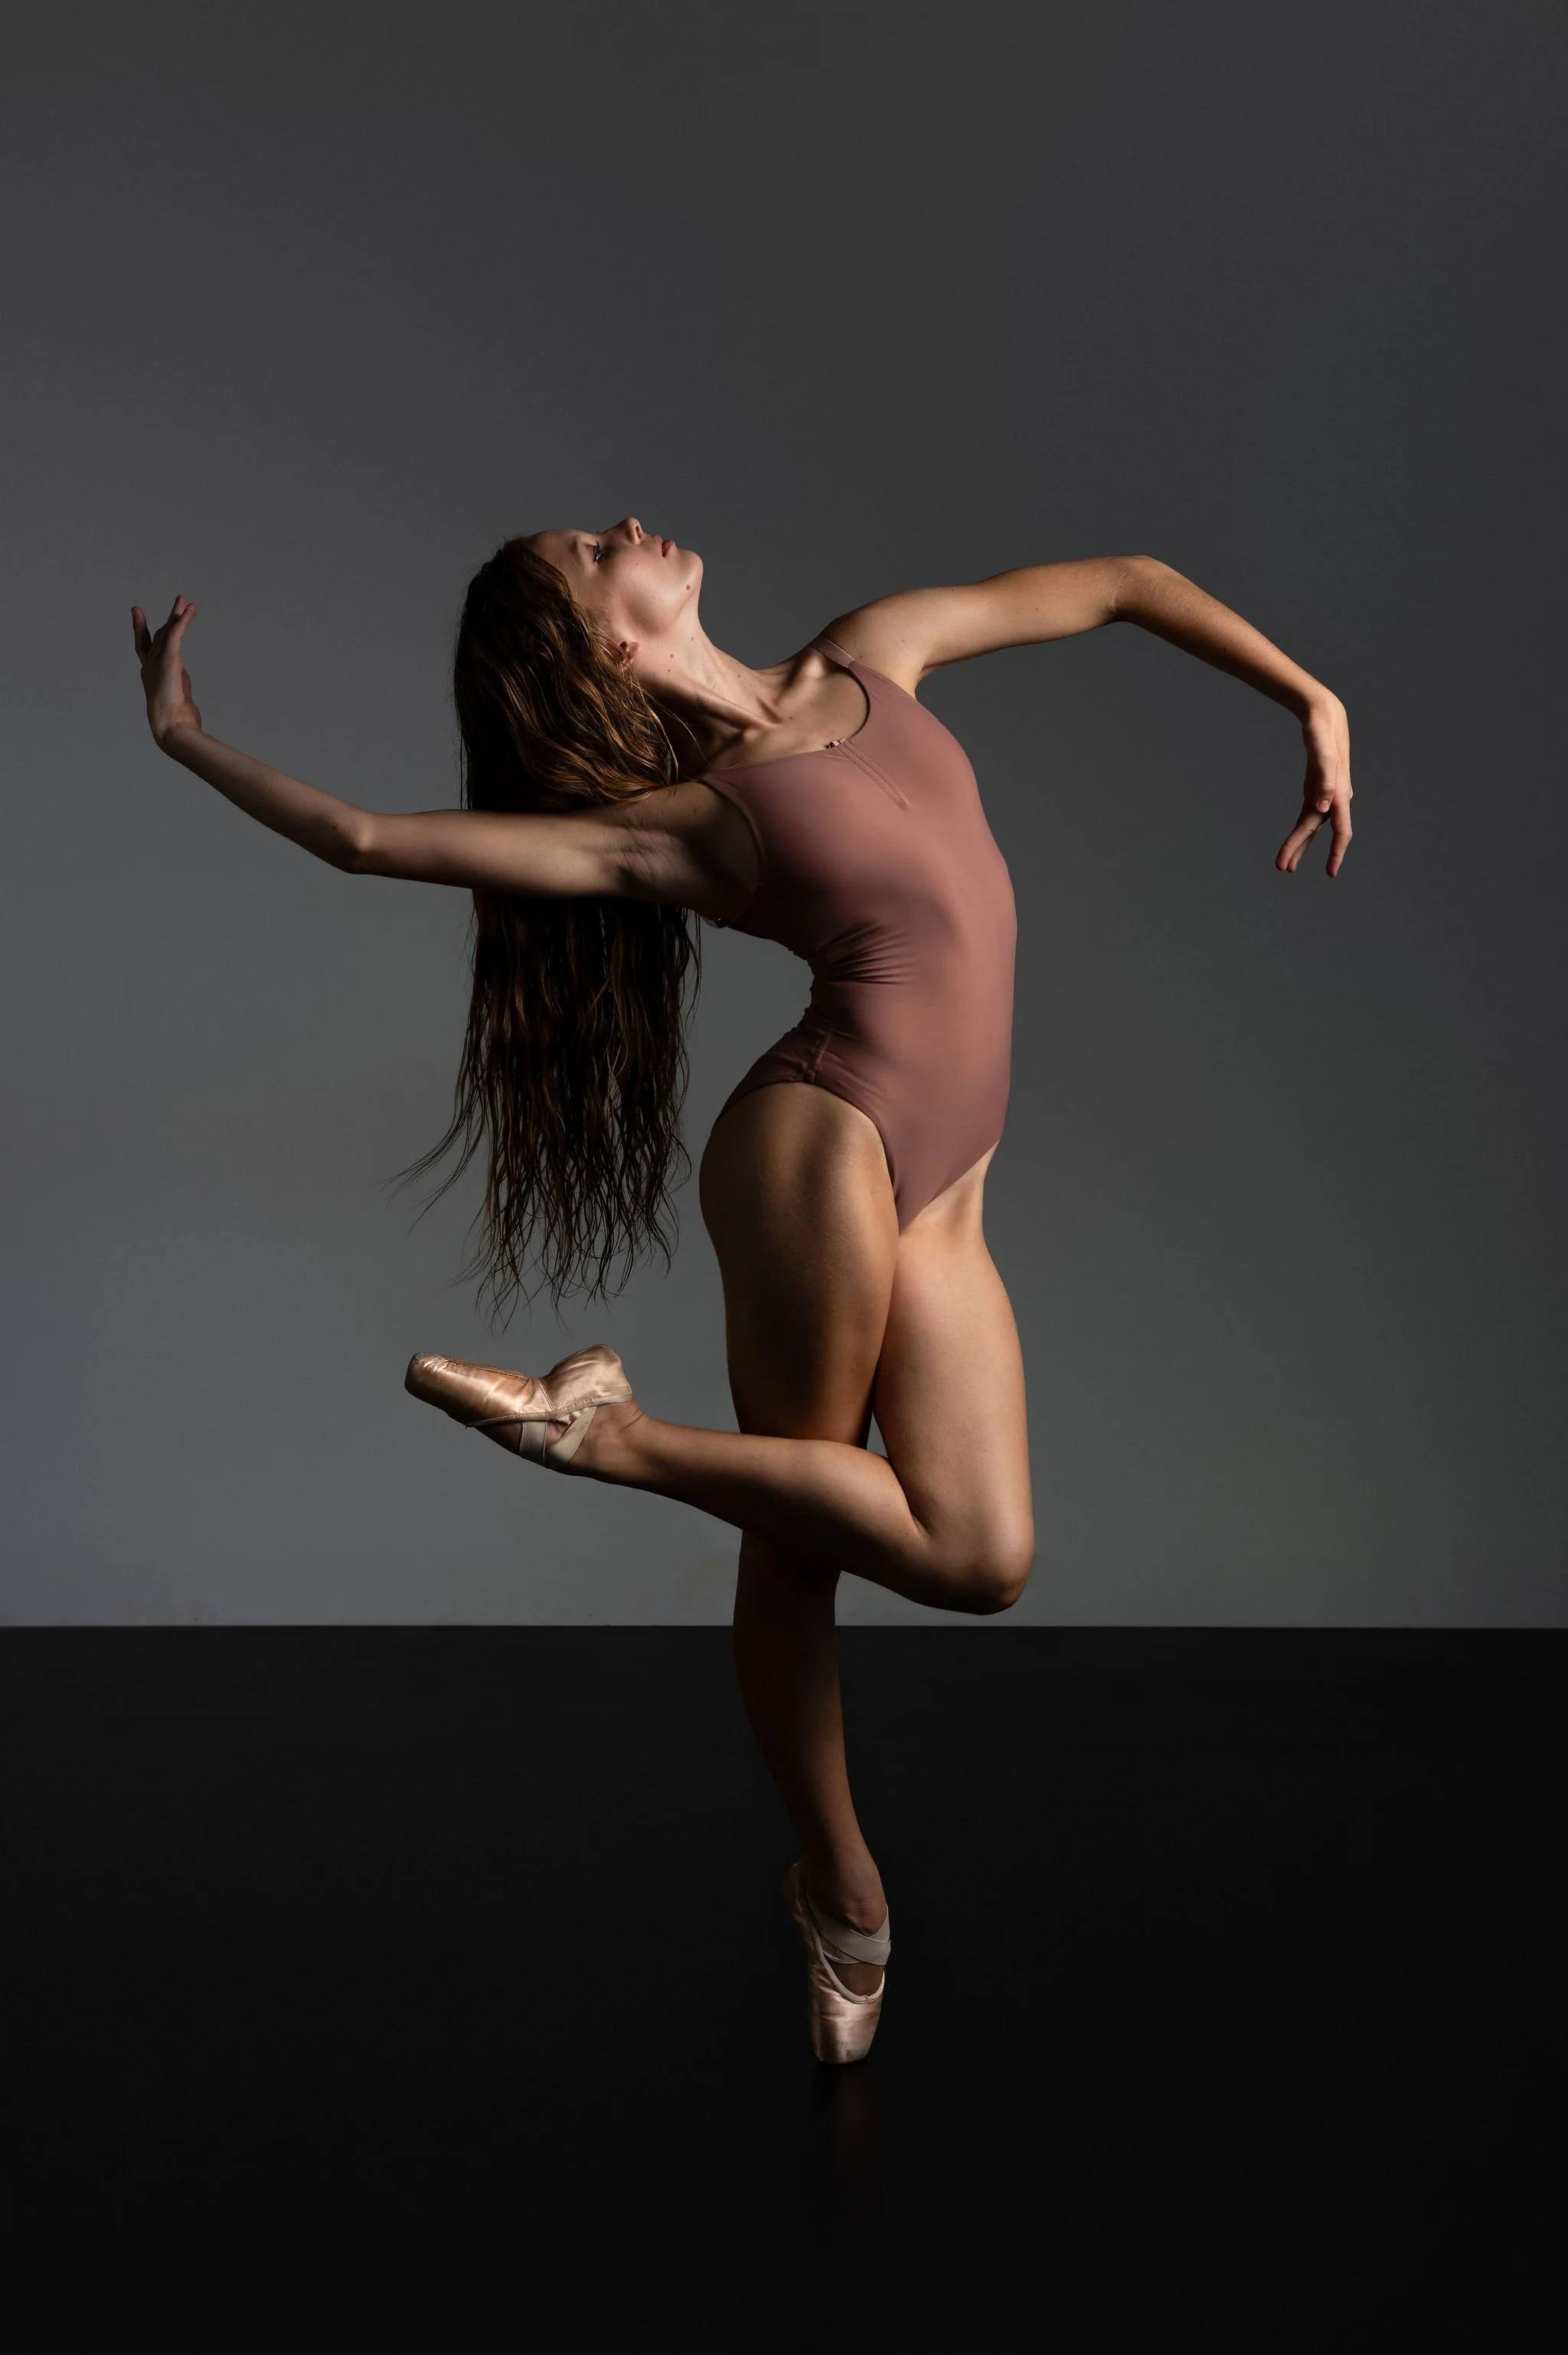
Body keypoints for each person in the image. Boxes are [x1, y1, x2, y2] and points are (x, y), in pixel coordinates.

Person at [132, 524, 1352, 2062]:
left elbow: (1118, 583)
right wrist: (184, 737)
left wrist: (1306, 695)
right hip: (820, 1151)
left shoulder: (870, 651)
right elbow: (371, 840)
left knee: (980, 1555)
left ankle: (612, 1436)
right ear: (607, 649)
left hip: (946, 1197)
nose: (624, 525)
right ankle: (842, 1892)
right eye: (590, 554)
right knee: (796, 1541)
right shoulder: (680, 826)